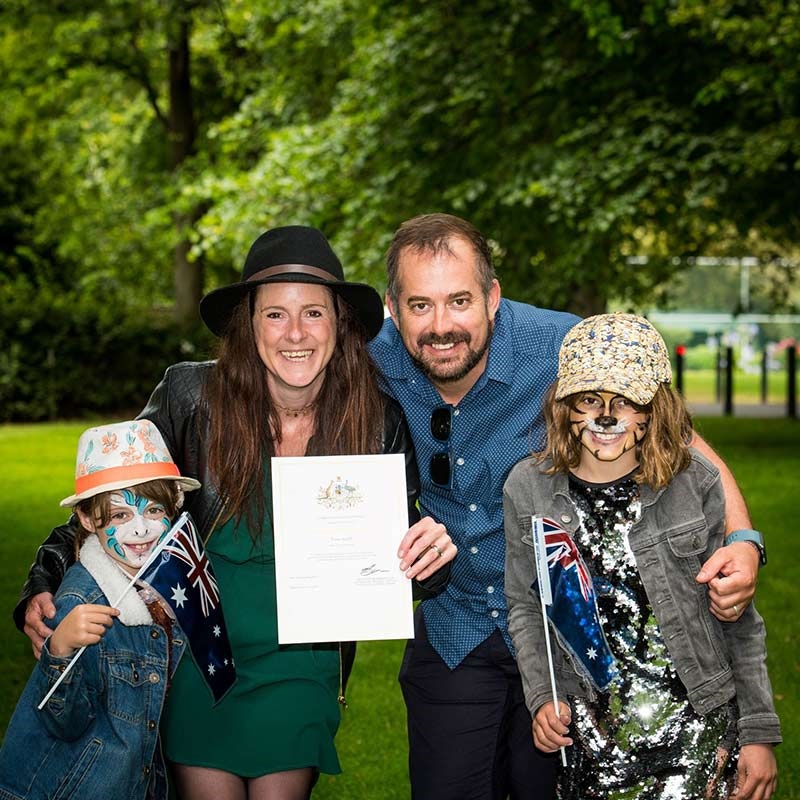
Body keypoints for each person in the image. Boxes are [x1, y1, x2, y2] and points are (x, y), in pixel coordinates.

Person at [13, 226, 455, 800]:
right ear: (249, 324)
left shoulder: (377, 420)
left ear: (340, 324)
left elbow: (400, 554)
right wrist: (43, 580)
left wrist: (431, 560)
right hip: (199, 652)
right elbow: (117, 502)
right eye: (275, 314)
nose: (295, 333)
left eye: (313, 313)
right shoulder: (189, 398)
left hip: (301, 662)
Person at [366, 213, 765, 800]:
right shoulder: (369, 361)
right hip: (456, 620)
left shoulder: (561, 345)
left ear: (493, 297)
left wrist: (742, 542)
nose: (442, 325)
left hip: (567, 633)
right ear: (392, 308)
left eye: (459, 301)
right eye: (420, 306)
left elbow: (682, 443)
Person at [503, 313, 780, 799]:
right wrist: (543, 696)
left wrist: (758, 731)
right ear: (564, 406)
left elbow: (739, 617)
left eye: (625, 402)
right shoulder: (528, 488)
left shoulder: (695, 483)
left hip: (697, 731)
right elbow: (526, 607)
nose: (605, 418)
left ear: (654, 409)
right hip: (595, 738)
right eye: (589, 400)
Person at [0, 419, 200, 800]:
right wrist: (59, 649)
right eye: (120, 515)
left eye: (154, 510)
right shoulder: (80, 604)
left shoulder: (165, 588)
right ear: (89, 519)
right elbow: (64, 721)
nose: (140, 530)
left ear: (175, 507)